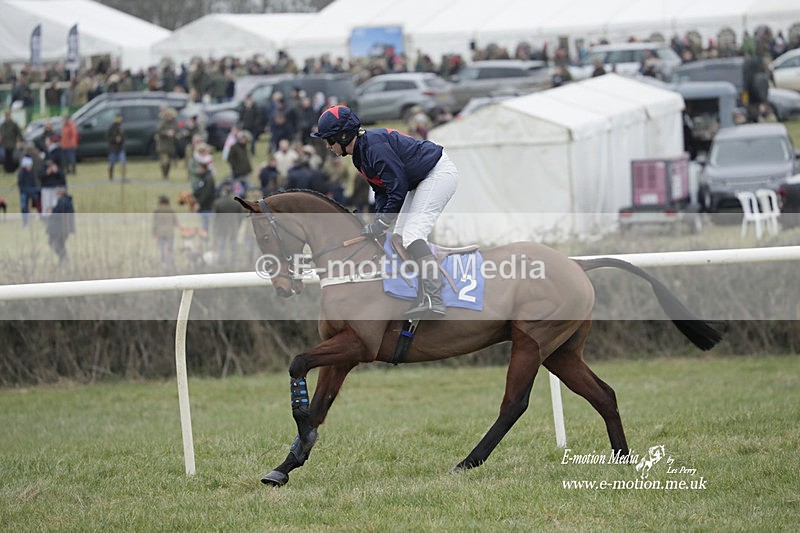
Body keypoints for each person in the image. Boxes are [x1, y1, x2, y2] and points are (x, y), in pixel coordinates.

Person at [311, 105, 458, 319]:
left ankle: (435, 298)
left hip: (437, 174)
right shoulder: (360, 155)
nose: (328, 146)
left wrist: (381, 223)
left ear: (343, 136)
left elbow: (397, 189)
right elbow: (382, 191)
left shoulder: (373, 148)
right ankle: (419, 292)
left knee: (412, 236)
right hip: (418, 180)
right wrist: (379, 222)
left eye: (329, 140)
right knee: (398, 238)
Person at [46, 187, 75, 264]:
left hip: (60, 229)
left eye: (57, 193)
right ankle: (63, 259)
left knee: (55, 243)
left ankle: (64, 258)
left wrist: (51, 212)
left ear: (59, 193)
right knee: (59, 244)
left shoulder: (63, 201)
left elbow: (57, 214)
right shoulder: (67, 201)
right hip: (64, 229)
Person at [152, 195, 179, 272]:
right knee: (170, 249)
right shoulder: (171, 210)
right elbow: (176, 222)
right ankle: (172, 264)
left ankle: (164, 265)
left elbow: (155, 223)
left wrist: (154, 233)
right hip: (170, 233)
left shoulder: (157, 210)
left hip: (160, 233)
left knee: (162, 250)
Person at [155, 107, 179, 179]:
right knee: (164, 161)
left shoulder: (174, 122)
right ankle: (164, 175)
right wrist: (166, 133)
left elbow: (176, 130)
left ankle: (166, 175)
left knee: (169, 162)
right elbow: (158, 131)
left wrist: (175, 134)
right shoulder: (162, 122)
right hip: (162, 145)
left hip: (170, 145)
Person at [17, 155, 39, 227]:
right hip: (24, 192)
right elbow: (20, 184)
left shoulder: (31, 173)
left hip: (31, 191)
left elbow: (34, 183)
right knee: (24, 207)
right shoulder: (21, 173)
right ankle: (25, 222)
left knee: (38, 203)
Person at [1, 109, 23, 173]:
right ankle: (7, 170)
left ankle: (12, 170)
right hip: (5, 144)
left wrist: (21, 140)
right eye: (6, 115)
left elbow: (18, 133)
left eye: (8, 115)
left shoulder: (13, 124)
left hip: (12, 144)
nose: (7, 116)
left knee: (12, 158)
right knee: (6, 158)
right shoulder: (3, 125)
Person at [107, 113, 126, 180]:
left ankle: (123, 178)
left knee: (123, 163)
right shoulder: (111, 127)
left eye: (120, 118)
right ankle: (110, 178)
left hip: (120, 148)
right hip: (113, 149)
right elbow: (108, 138)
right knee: (111, 164)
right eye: (118, 118)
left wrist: (121, 139)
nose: (119, 119)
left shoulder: (121, 127)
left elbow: (124, 137)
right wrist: (115, 139)